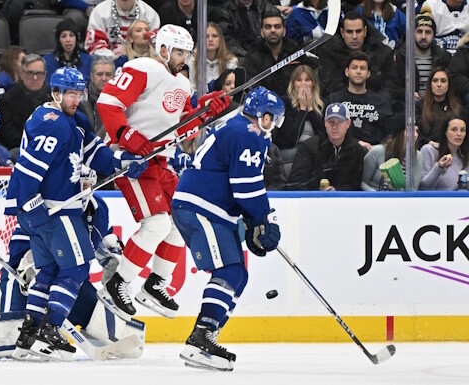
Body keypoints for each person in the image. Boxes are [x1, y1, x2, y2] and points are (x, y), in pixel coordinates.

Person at [4, 66, 147, 360]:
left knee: (51, 270)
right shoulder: (50, 122)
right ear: (55, 93)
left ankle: (30, 330)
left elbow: (96, 155)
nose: (75, 98)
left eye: (78, 93)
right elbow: (28, 168)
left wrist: (122, 161)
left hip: (51, 209)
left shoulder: (75, 121)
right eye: (69, 93)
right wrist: (30, 202)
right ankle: (51, 328)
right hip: (54, 209)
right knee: (78, 268)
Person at [96, 24, 231, 319]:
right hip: (130, 160)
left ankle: (155, 284)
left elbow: (182, 127)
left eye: (187, 52)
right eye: (179, 51)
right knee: (156, 225)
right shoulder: (141, 67)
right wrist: (125, 135)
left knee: (179, 222)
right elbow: (108, 103)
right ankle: (117, 284)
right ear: (164, 49)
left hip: (159, 160)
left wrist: (206, 110)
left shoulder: (182, 84)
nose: (184, 57)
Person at [171, 87, 283, 371]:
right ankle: (201, 337)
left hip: (207, 208)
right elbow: (246, 189)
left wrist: (254, 221)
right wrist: (264, 219)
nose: (274, 127)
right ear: (261, 114)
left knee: (238, 275)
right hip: (203, 207)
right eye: (273, 119)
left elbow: (237, 185)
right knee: (230, 271)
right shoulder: (249, 133)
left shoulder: (236, 127)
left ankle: (207, 335)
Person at [0, 168, 144, 359]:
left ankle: (45, 330)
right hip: (30, 287)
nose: (82, 189)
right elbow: (20, 249)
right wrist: (24, 265)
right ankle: (32, 331)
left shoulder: (99, 208)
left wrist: (109, 256)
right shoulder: (50, 204)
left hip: (70, 288)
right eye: (77, 184)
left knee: (129, 345)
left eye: (86, 184)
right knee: (14, 331)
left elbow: (96, 243)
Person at [288, 102, 368, 190]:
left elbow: (354, 184)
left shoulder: (356, 150)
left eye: (340, 122)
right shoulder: (308, 147)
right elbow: (296, 181)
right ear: (325, 122)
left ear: (348, 123)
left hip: (343, 201)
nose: (334, 126)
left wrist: (337, 191)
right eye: (331, 122)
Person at [316, 11, 395, 97]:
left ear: (365, 31)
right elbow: (328, 86)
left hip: (374, 104)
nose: (354, 37)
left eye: (358, 31)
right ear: (342, 33)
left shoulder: (382, 53)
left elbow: (390, 88)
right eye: (349, 32)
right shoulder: (329, 52)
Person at [244, 11, 317, 98]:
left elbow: (309, 76)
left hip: (295, 101)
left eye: (277, 27)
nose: (273, 30)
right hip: (266, 104)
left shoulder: (295, 50)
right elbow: (253, 88)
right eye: (268, 27)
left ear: (284, 31)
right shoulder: (252, 55)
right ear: (262, 32)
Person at [328, 51, 392, 150]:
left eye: (362, 68)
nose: (358, 71)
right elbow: (329, 131)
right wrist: (356, 143)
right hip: (345, 150)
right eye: (354, 68)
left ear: (368, 73)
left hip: (374, 150)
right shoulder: (335, 100)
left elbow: (388, 132)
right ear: (347, 72)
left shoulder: (380, 101)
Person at [0, 54, 52, 153]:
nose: (35, 78)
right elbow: (9, 137)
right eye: (30, 73)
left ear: (45, 75)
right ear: (21, 74)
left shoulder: (55, 99)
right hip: (22, 149)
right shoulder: (6, 100)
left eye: (39, 73)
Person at [274, 65, 326, 167]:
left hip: (315, 152)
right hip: (290, 152)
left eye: (307, 80)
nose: (303, 84)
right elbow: (288, 140)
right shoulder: (284, 104)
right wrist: (302, 110)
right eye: (299, 80)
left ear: (313, 84)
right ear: (293, 84)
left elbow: (323, 137)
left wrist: (310, 109)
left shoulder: (322, 105)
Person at [394, 10, 451, 101]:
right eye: (419, 31)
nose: (423, 36)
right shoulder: (400, 56)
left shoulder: (444, 57)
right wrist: (405, 94)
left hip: (436, 105)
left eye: (428, 32)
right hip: (409, 106)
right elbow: (391, 86)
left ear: (433, 35)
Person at [361, 112, 424, 191]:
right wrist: (377, 196)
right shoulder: (378, 151)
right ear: (399, 133)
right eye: (409, 130)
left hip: (401, 200)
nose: (415, 135)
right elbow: (362, 182)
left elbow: (413, 188)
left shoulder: (417, 156)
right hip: (375, 198)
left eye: (416, 131)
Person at [85, 0, 160, 59]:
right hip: (108, 66)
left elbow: (154, 47)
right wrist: (114, 60)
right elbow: (95, 45)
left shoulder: (149, 14)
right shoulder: (100, 12)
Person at [208, 0, 280, 58]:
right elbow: (227, 39)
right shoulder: (225, 10)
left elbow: (277, 31)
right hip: (239, 55)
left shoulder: (266, 7)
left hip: (264, 53)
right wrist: (246, 55)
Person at [416, 67, 465, 149]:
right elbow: (416, 133)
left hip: (454, 150)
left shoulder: (458, 106)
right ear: (430, 84)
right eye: (435, 81)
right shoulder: (419, 106)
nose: (439, 85)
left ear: (449, 84)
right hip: (428, 149)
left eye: (443, 81)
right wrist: (428, 142)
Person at [420, 115, 469, 190]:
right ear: (445, 132)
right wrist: (439, 168)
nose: (459, 134)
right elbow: (424, 187)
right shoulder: (429, 150)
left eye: (462, 130)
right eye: (454, 129)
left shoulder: (466, 156)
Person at [188, 22, 238, 92]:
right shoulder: (192, 60)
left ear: (220, 39)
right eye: (206, 36)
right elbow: (191, 90)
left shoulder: (231, 62)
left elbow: (233, 89)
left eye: (214, 36)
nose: (210, 39)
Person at [43, 19, 93, 85]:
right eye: (63, 36)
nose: (68, 40)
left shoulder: (89, 60)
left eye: (71, 35)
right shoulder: (47, 61)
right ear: (58, 40)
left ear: (76, 38)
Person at [79, 56, 116, 139]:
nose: (104, 78)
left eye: (108, 75)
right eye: (99, 74)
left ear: (114, 77)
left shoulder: (121, 100)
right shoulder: (81, 100)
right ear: (91, 77)